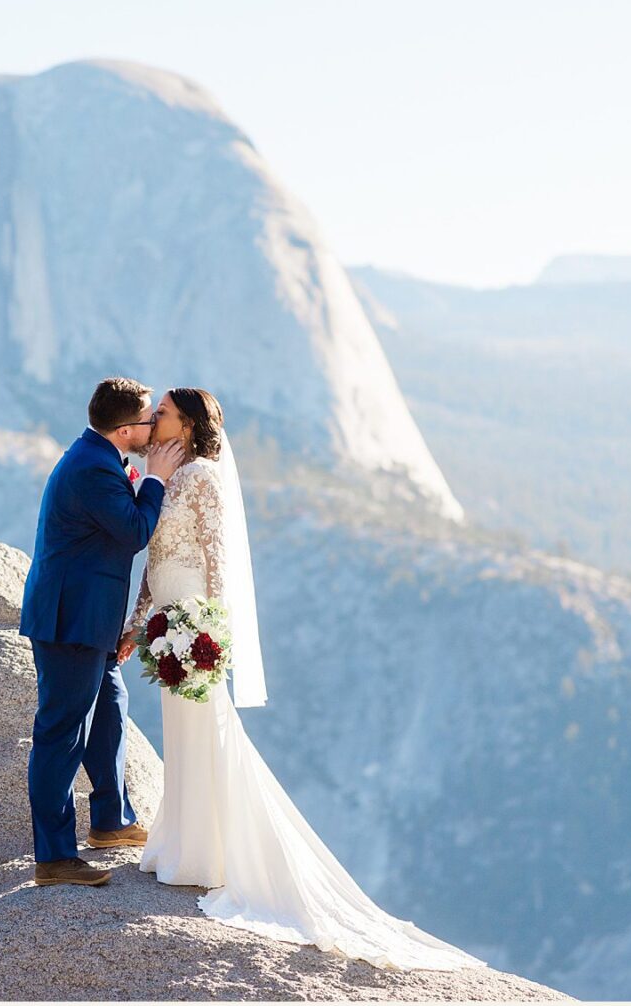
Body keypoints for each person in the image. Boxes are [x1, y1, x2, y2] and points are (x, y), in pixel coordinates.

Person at [120, 386, 491, 972]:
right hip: (166, 615)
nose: (151, 418)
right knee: (181, 728)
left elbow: (219, 558)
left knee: (206, 726)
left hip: (192, 619)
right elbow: (153, 558)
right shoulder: (165, 473)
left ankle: (209, 855)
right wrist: (136, 624)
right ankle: (185, 843)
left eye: (161, 412)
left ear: (186, 424)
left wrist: (214, 632)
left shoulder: (207, 478)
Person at [18, 377, 184, 887]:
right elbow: (134, 531)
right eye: (149, 420)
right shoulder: (92, 468)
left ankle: (111, 820)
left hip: (91, 617)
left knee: (110, 707)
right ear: (124, 429)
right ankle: (54, 857)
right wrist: (154, 479)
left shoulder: (98, 456)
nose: (155, 425)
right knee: (61, 731)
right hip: (71, 620)